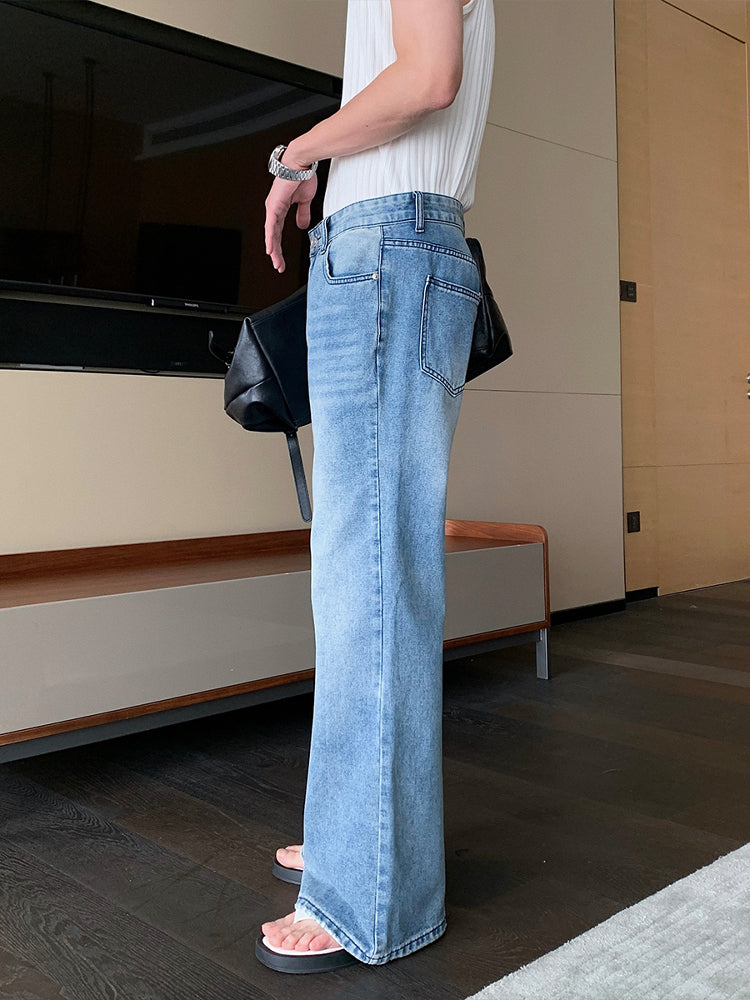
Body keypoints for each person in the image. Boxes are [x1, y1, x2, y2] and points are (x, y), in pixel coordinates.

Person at [256, 0, 495, 975]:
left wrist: (296, 154)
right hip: (379, 249)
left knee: (371, 576)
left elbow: (428, 77)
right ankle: (354, 827)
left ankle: (367, 887)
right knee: (358, 575)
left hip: (389, 249)